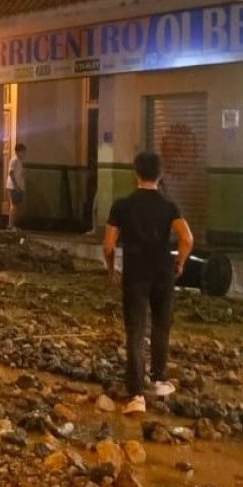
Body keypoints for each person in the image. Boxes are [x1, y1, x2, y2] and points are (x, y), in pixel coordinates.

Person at [103, 152, 195, 415]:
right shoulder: (169, 206)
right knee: (161, 326)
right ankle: (159, 379)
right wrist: (179, 263)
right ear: (161, 175)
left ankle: (136, 396)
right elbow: (187, 238)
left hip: (135, 274)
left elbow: (109, 245)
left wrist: (112, 268)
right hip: (163, 272)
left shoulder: (122, 205)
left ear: (136, 174)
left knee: (135, 331)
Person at [7, 143, 27, 230]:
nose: (24, 154)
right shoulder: (14, 160)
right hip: (13, 187)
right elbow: (11, 173)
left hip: (18, 187)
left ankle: (13, 225)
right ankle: (10, 225)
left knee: (17, 206)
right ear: (18, 152)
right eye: (23, 152)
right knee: (14, 206)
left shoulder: (20, 161)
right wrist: (16, 186)